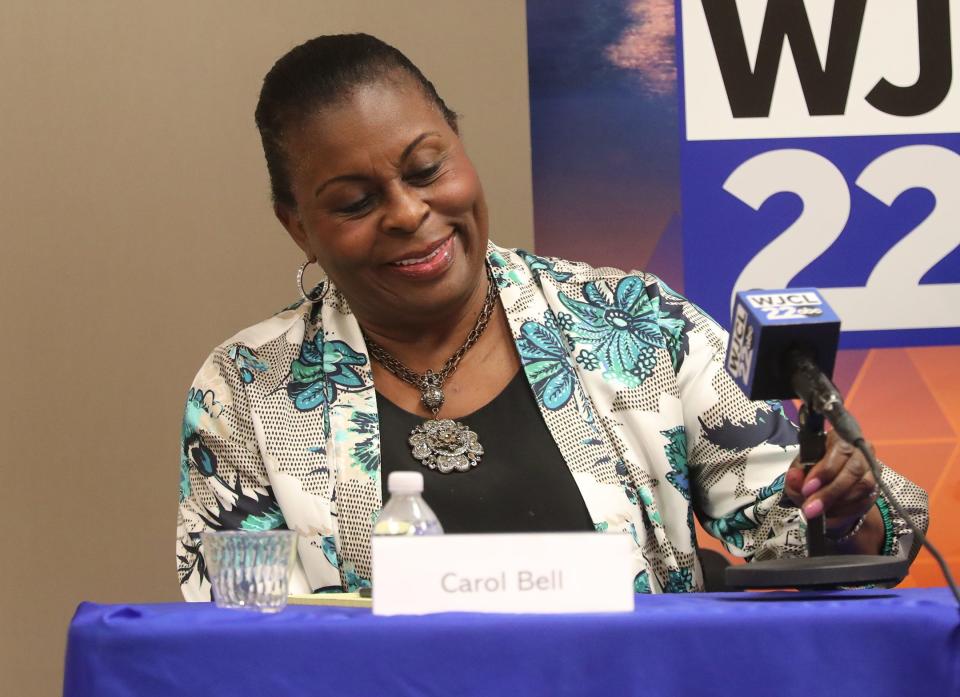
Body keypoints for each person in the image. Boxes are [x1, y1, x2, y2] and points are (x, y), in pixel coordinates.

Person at [177, 34, 927, 599]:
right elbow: (231, 633)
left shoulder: (632, 323)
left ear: (461, 146)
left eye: (427, 168)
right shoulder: (246, 388)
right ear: (299, 226)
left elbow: (808, 541)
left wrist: (839, 504)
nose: (409, 212)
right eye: (355, 202)